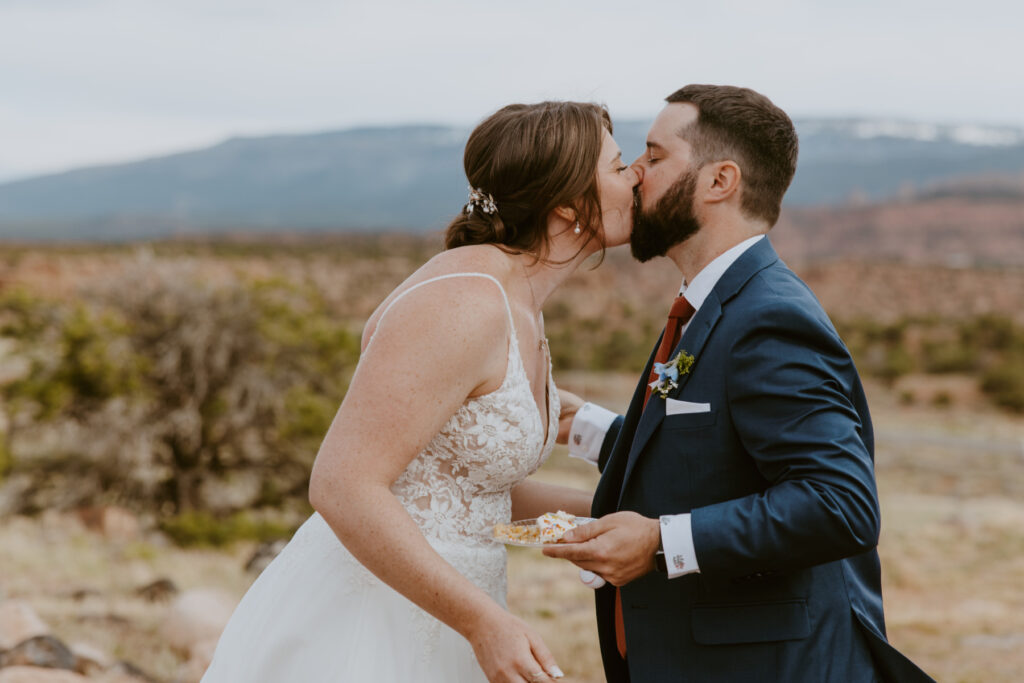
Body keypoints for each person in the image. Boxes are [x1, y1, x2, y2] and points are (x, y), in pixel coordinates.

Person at [201, 101, 639, 683]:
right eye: (617, 165)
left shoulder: (518, 304)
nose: (634, 176)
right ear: (565, 202)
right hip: (368, 622)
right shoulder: (465, 303)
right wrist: (483, 622)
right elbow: (342, 485)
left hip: (444, 613)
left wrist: (627, 518)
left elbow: (472, 498)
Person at [544, 85, 934, 682]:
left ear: (719, 181)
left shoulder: (768, 318)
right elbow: (712, 445)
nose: (634, 176)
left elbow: (840, 503)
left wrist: (659, 541)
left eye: (653, 156)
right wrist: (586, 427)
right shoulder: (713, 302)